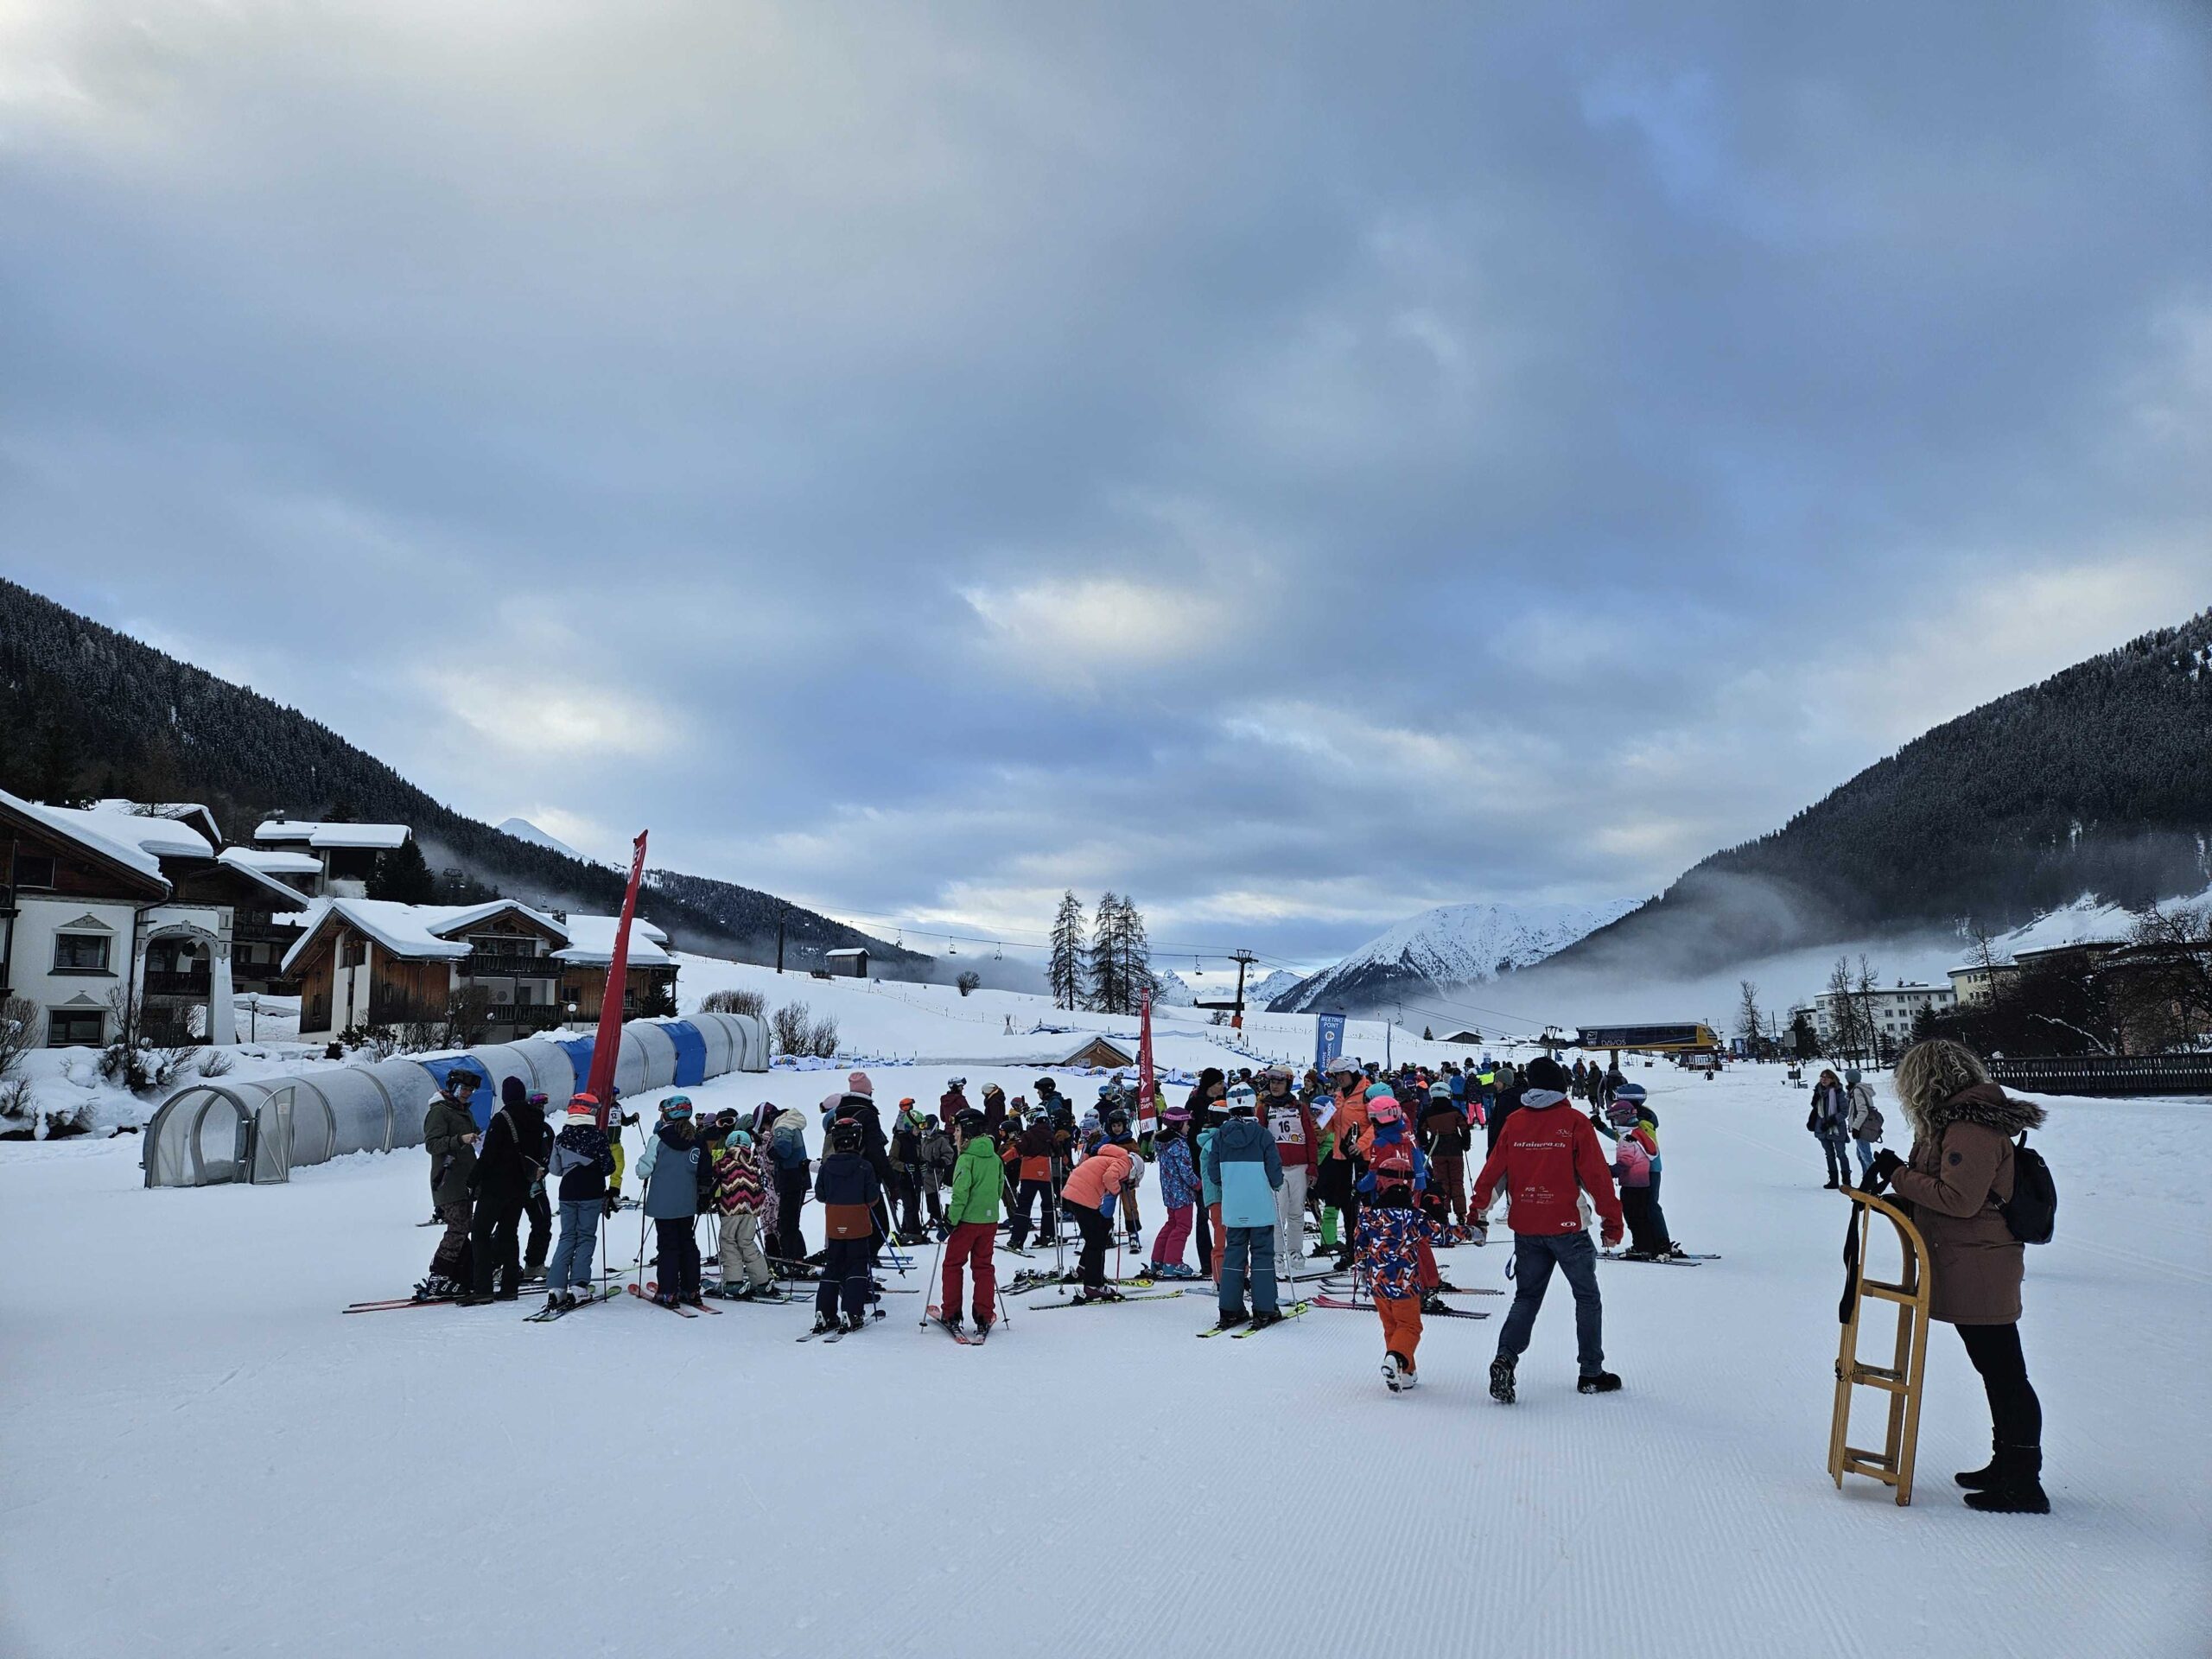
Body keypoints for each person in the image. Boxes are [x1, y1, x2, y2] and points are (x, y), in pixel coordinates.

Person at [1871, 1039, 2050, 1513]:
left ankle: (2023, 1481)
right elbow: (1949, 1194)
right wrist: (1901, 1196)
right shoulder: (1954, 1124)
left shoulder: (1970, 1129)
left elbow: (1960, 1200)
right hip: (1970, 1262)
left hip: (1981, 1266)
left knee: (2005, 1373)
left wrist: (1898, 1176)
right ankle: (2008, 1464)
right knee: (1997, 1371)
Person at [1472, 1055, 1624, 1402]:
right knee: (1586, 1297)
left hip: (1527, 1227)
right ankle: (1591, 1371)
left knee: (1526, 1298)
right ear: (1560, 1085)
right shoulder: (1573, 1122)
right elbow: (1597, 1178)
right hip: (1568, 1228)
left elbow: (1493, 1174)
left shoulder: (1515, 1122)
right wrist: (1612, 1222)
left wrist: (1477, 1215)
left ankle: (1505, 1359)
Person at [463, 1076, 549, 1305]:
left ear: (505, 1096)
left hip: (495, 1186)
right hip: (521, 1186)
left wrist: (472, 1180)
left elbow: (488, 1155)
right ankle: (510, 1287)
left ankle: (483, 1288)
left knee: (480, 1233)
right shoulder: (537, 1118)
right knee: (509, 1233)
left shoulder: (503, 1118)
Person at [1205, 1088, 1285, 1330]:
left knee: (1234, 1254)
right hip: (1260, 1204)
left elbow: (1214, 1174)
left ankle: (1229, 1309)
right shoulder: (1262, 1135)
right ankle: (1264, 1308)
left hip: (1233, 1204)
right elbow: (1275, 1173)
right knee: (1262, 1254)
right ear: (1252, 1106)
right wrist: (1276, 1183)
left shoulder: (1219, 1137)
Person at [1357, 1172, 1440, 1392]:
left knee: (1392, 1327)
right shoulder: (1415, 1217)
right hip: (1405, 1284)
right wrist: (1471, 1232)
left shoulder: (1368, 1216)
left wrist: (1360, 1267)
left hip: (1378, 1284)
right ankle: (1395, 1359)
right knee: (1410, 1326)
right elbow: (1442, 1234)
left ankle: (1406, 1373)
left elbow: (1359, 1244)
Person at [811, 1111, 885, 1335]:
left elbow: (820, 1195)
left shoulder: (826, 1167)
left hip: (834, 1225)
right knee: (857, 1265)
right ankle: (852, 1311)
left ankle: (824, 1312)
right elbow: (873, 1198)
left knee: (833, 1265)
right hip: (858, 1225)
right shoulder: (864, 1167)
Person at [543, 1092, 615, 1310]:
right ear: (590, 1112)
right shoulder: (597, 1136)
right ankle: (579, 1286)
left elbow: (554, 1168)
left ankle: (556, 1288)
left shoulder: (561, 1137)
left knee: (566, 1236)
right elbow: (608, 1166)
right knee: (585, 1236)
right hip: (591, 1191)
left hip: (567, 1192)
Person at [637, 1096, 709, 1306]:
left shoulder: (658, 1139)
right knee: (688, 1243)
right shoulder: (697, 1139)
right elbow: (705, 1169)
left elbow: (644, 1170)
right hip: (687, 1201)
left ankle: (668, 1292)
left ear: (667, 1114)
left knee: (668, 1246)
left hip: (663, 1202)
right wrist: (704, 1194)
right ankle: (691, 1289)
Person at [416, 1069, 481, 1300]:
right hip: (448, 1180)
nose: (467, 1093)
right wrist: (459, 1139)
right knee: (458, 1228)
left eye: (470, 1090)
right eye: (463, 1089)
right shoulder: (439, 1112)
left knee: (464, 1227)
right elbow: (432, 1145)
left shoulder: (462, 1110)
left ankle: (460, 1274)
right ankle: (439, 1276)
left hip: (464, 1179)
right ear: (452, 1088)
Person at [938, 1108, 1001, 1336]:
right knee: (983, 1266)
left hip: (965, 1222)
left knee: (953, 1265)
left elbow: (960, 1194)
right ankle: (984, 1314)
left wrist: (949, 1221)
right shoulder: (994, 1157)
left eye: (957, 1130)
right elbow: (999, 1187)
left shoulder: (966, 1159)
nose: (955, 1134)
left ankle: (951, 1312)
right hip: (989, 1220)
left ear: (967, 1132)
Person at [1058, 1127, 1138, 1301]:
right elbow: (1110, 1178)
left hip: (1072, 1194)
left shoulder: (1106, 1156)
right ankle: (1094, 1285)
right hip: (1082, 1198)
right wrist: (1117, 1190)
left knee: (1101, 1228)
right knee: (1097, 1240)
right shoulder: (1125, 1162)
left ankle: (1085, 1269)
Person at [1262, 1065, 1320, 1282]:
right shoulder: (1264, 1108)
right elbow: (1261, 1140)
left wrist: (1313, 1165)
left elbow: (1311, 1138)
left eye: (1280, 1082)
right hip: (1276, 1170)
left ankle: (1295, 1251)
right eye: (1273, 1082)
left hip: (1300, 1168)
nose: (1275, 1086)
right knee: (1277, 1213)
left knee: (1296, 1212)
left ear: (1287, 1084)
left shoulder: (1300, 1108)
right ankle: (1277, 1254)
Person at [499, 1077, 555, 1285]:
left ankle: (534, 1263)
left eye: (542, 1106)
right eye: (536, 1105)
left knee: (542, 1222)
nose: (540, 1110)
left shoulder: (546, 1129)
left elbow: (549, 1157)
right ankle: (497, 1264)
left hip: (536, 1187)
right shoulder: (515, 1126)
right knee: (506, 1225)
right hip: (513, 1185)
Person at [709, 1128, 774, 1300]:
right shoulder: (753, 1162)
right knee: (746, 1241)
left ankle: (733, 1282)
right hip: (751, 1208)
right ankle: (762, 1281)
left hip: (730, 1208)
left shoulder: (724, 1162)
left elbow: (714, 1180)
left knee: (729, 1242)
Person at [1147, 1108, 1200, 1279]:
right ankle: (1173, 1262)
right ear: (1178, 1125)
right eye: (1186, 1123)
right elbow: (1185, 1170)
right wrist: (1198, 1185)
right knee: (1183, 1227)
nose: (1189, 1127)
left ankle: (1158, 1261)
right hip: (1182, 1193)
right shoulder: (1179, 1144)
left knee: (1171, 1224)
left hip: (1170, 1192)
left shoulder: (1164, 1142)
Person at [1418, 1077, 1473, 1236]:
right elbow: (1465, 1128)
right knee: (1457, 1182)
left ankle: (1443, 1210)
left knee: (1442, 1183)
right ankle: (1461, 1213)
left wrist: (1427, 1146)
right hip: (1455, 1150)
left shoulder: (1427, 1112)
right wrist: (1465, 1144)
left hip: (1437, 1150)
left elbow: (1420, 1131)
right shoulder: (1455, 1111)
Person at [765, 1099, 812, 1265]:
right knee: (791, 1220)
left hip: (791, 1178)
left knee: (786, 1222)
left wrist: (771, 1152)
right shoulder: (791, 1124)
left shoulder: (782, 1127)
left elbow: (783, 1150)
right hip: (799, 1176)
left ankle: (792, 1259)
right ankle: (797, 1256)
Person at [1007, 1109, 1058, 1252]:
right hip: (1045, 1175)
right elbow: (1058, 1153)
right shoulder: (1050, 1135)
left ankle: (1017, 1240)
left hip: (1028, 1175)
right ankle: (1048, 1235)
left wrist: (1001, 1160)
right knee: (1048, 1206)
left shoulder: (1028, 1135)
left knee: (1024, 1207)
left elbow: (1016, 1151)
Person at [889, 1100, 929, 1243]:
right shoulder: (899, 1139)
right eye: (918, 1127)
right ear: (909, 1126)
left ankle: (913, 1231)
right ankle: (909, 1231)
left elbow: (920, 1156)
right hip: (903, 1178)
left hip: (916, 1177)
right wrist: (903, 1166)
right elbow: (891, 1159)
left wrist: (924, 1164)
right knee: (909, 1205)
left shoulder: (918, 1139)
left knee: (916, 1203)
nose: (920, 1131)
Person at [1808, 1069, 1853, 1189]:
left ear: (1833, 1079)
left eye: (1826, 1077)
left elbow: (1844, 1112)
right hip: (1821, 1128)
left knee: (1841, 1154)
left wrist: (1831, 1121)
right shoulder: (1818, 1091)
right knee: (1829, 1154)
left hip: (1836, 1129)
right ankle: (1833, 1180)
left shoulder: (1839, 1093)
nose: (1823, 1079)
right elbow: (1815, 1108)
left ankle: (1846, 1181)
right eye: (1822, 1077)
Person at [1846, 1068, 1885, 1185]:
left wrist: (1856, 1127)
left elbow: (1863, 1111)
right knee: (1861, 1154)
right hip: (1864, 1126)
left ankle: (1871, 1181)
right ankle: (1867, 1179)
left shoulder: (1857, 1091)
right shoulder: (1860, 1089)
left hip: (1862, 1128)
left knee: (1865, 1155)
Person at [920, 1114, 957, 1238]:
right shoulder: (924, 1140)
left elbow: (949, 1155)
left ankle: (936, 1216)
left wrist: (940, 1162)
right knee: (928, 1193)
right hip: (926, 1170)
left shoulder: (941, 1140)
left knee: (932, 1192)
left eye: (928, 1128)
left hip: (936, 1171)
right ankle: (934, 1216)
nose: (925, 1131)